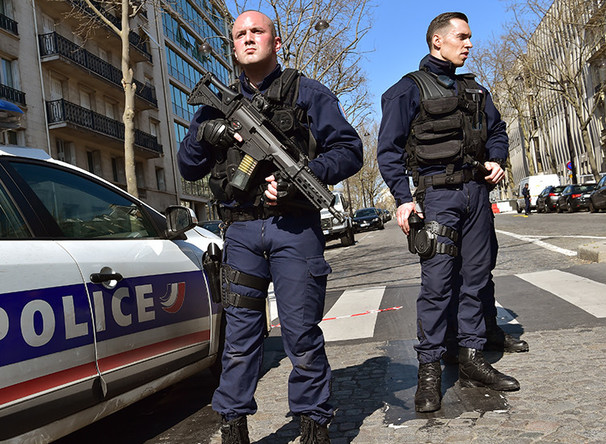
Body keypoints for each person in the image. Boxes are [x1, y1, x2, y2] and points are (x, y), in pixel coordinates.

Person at [178, 10, 363, 444]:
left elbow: (350, 149)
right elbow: (188, 166)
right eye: (239, 34)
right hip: (240, 232)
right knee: (240, 339)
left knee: (301, 335)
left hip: (294, 230)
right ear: (234, 46)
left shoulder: (308, 92)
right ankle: (232, 424)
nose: (247, 39)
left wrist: (307, 176)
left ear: (276, 43)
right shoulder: (213, 104)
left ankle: (314, 422)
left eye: (256, 31)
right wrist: (211, 134)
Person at [377, 11, 520, 414]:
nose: (469, 43)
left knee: (476, 277)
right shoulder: (407, 90)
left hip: (477, 193)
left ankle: (472, 356)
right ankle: (429, 371)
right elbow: (388, 151)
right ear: (437, 41)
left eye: (470, 37)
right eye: (463, 36)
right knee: (438, 285)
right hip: (438, 196)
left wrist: (496, 158)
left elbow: (498, 130)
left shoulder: (475, 90)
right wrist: (403, 198)